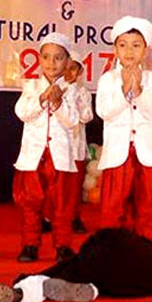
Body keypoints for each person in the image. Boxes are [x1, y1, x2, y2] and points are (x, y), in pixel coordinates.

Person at [0, 228, 152, 302]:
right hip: (121, 281)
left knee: (70, 268)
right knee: (96, 279)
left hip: (104, 254)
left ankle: (23, 293)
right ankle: (92, 290)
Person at [96, 16, 152, 241]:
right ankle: (111, 252)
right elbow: (104, 111)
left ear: (145, 50)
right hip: (117, 156)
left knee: (148, 209)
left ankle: (147, 251)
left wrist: (140, 91)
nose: (129, 51)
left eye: (136, 45)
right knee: (112, 209)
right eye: (123, 45)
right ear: (115, 49)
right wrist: (124, 90)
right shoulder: (107, 80)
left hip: (148, 156)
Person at [14, 32, 79, 262]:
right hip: (34, 156)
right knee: (31, 204)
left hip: (60, 157)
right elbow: (22, 112)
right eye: (46, 57)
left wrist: (59, 102)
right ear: (39, 59)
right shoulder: (31, 86)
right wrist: (42, 99)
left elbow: (73, 120)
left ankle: (62, 246)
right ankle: (30, 245)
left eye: (58, 58)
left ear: (67, 62)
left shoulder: (71, 89)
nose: (52, 63)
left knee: (62, 205)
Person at [66, 51, 93, 234]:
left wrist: (74, 95)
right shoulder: (50, 89)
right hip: (55, 148)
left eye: (73, 68)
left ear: (80, 71)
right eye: (66, 68)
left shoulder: (83, 92)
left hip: (76, 148)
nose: (69, 72)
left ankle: (74, 217)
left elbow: (86, 116)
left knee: (74, 188)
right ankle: (48, 218)